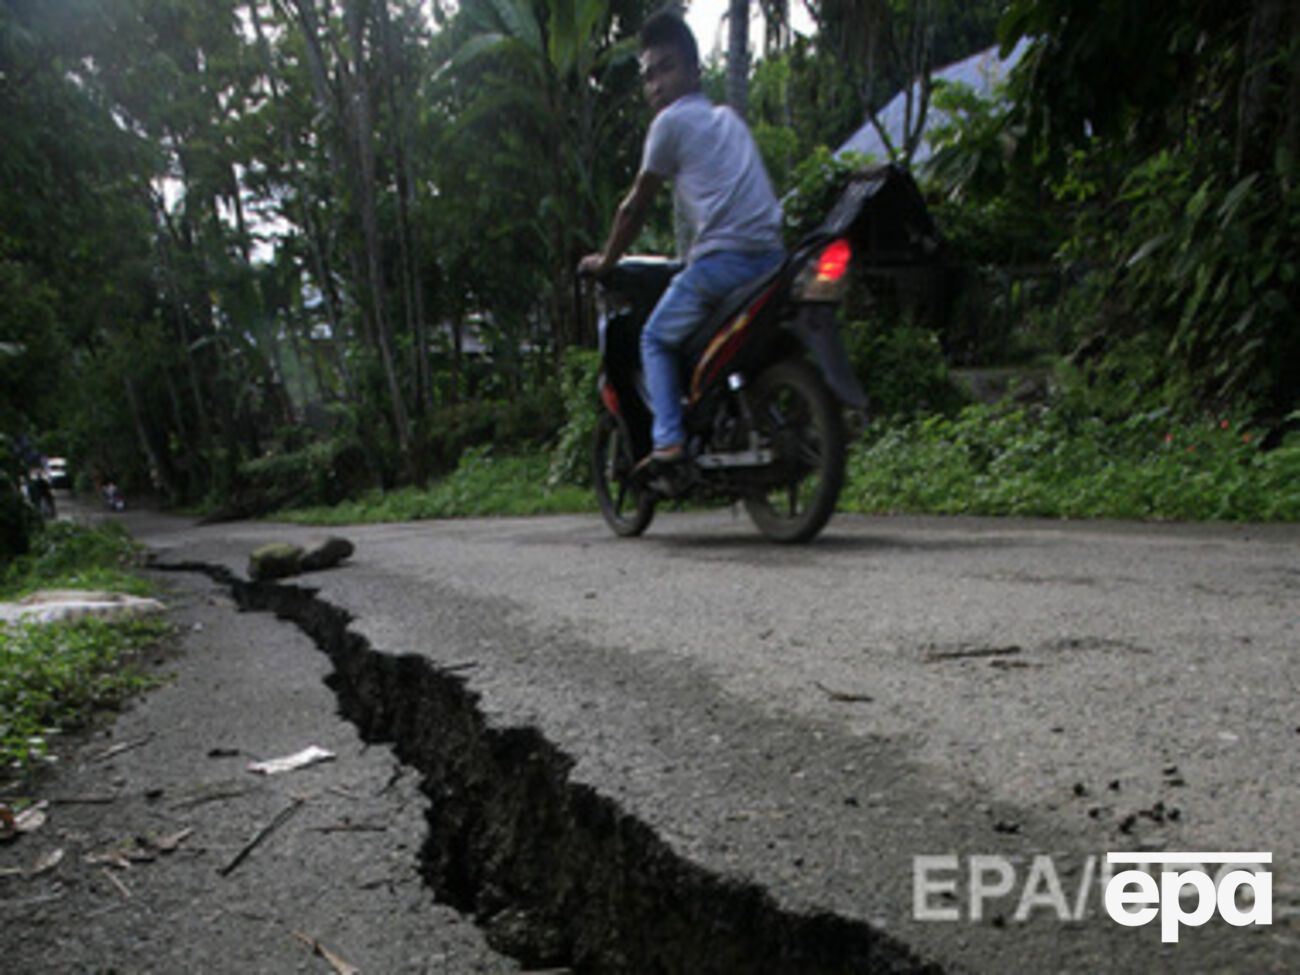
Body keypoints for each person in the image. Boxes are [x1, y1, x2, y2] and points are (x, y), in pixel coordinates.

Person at [579, 11, 784, 468]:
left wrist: (606, 261)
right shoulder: (728, 119)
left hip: (723, 265)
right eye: (648, 75)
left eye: (666, 68)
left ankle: (668, 440)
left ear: (694, 71)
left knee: (654, 338)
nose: (656, 84)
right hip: (772, 260)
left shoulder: (668, 125)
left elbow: (633, 208)